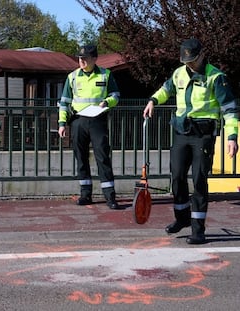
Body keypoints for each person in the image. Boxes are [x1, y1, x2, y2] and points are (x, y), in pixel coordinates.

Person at [143, 38, 239, 244]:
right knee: (176, 177)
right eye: (186, 60)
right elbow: (166, 89)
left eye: (193, 60)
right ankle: (182, 218)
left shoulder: (216, 77)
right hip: (181, 131)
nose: (189, 64)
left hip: (203, 135)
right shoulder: (179, 73)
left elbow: (230, 109)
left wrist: (232, 137)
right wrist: (152, 100)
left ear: (202, 55)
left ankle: (198, 229)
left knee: (199, 180)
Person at [58, 44, 121, 209]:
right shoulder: (72, 77)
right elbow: (64, 102)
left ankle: (110, 197)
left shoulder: (106, 75)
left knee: (102, 157)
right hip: (78, 120)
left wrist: (107, 102)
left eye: (85, 58)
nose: (82, 61)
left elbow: (115, 95)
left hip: (98, 120)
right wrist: (62, 123)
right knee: (81, 158)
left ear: (94, 59)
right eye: (80, 58)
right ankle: (85, 194)